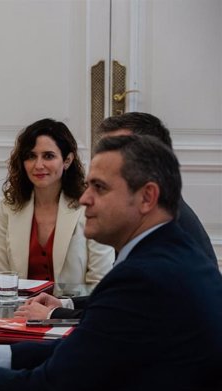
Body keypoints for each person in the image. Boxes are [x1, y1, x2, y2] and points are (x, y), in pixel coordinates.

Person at [0, 135, 222, 391]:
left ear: (147, 197)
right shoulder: (178, 253)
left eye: (99, 188)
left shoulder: (143, 278)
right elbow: (89, 348)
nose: (85, 199)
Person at [17, 112, 218, 320]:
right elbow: (120, 298)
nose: (85, 199)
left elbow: (115, 319)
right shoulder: (157, 223)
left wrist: (52, 314)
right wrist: (65, 303)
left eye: (116, 149)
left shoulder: (165, 241)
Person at [0, 118, 113, 286]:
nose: (38, 165)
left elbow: (100, 282)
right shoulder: (7, 206)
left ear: (67, 160)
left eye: (48, 156)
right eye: (31, 156)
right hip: (20, 310)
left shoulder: (90, 206)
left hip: (72, 310)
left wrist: (62, 310)